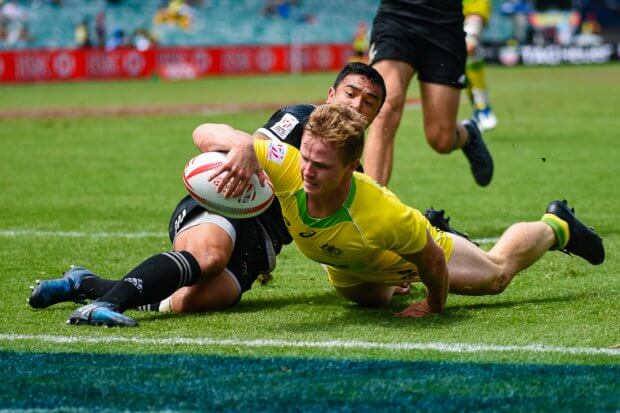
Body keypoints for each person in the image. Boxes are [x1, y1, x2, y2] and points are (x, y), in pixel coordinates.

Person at [28, 63, 468, 326]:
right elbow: (212, 134)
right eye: (350, 93)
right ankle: (103, 305)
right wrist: (242, 143)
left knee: (190, 302)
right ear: (331, 93)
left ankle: (86, 283)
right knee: (210, 256)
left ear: (375, 117)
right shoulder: (298, 119)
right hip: (227, 204)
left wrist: (393, 272)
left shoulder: (354, 169)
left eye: (368, 102)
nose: (356, 104)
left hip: (263, 242)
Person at [201, 104, 604, 317]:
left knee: (495, 275)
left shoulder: (380, 213)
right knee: (373, 302)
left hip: (405, 255)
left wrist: (433, 304)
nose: (306, 170)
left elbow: (430, 260)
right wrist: (240, 144)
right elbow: (203, 133)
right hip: (348, 271)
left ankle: (557, 225)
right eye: (305, 157)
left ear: (350, 168)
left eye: (321, 165)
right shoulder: (290, 164)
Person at [364, 0, 494, 187]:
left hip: (444, 24)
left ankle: (468, 135)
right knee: (384, 107)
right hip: (397, 16)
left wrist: (474, 26)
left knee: (440, 138)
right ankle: (371, 206)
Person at [463, 0, 498, 131]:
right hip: (443, 9)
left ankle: (483, 105)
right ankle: (478, 106)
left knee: (469, 45)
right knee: (457, 57)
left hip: (474, 4)